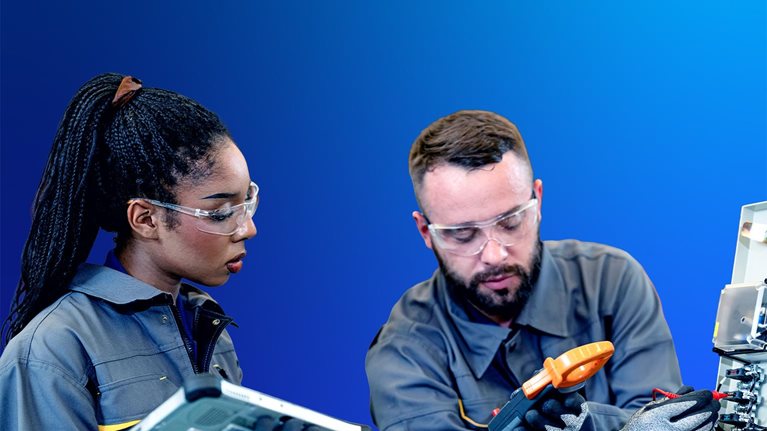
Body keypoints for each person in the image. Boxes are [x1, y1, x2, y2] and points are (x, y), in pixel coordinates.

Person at [365, 110, 715, 430]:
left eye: (510, 222)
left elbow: (660, 417)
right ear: (426, 233)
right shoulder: (404, 350)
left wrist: (590, 421)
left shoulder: (613, 281)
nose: (494, 254)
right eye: (463, 234)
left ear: (538, 200)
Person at [0, 73, 258, 430]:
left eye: (247, 202)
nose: (248, 228)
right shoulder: (54, 348)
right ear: (146, 219)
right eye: (220, 212)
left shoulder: (208, 328)